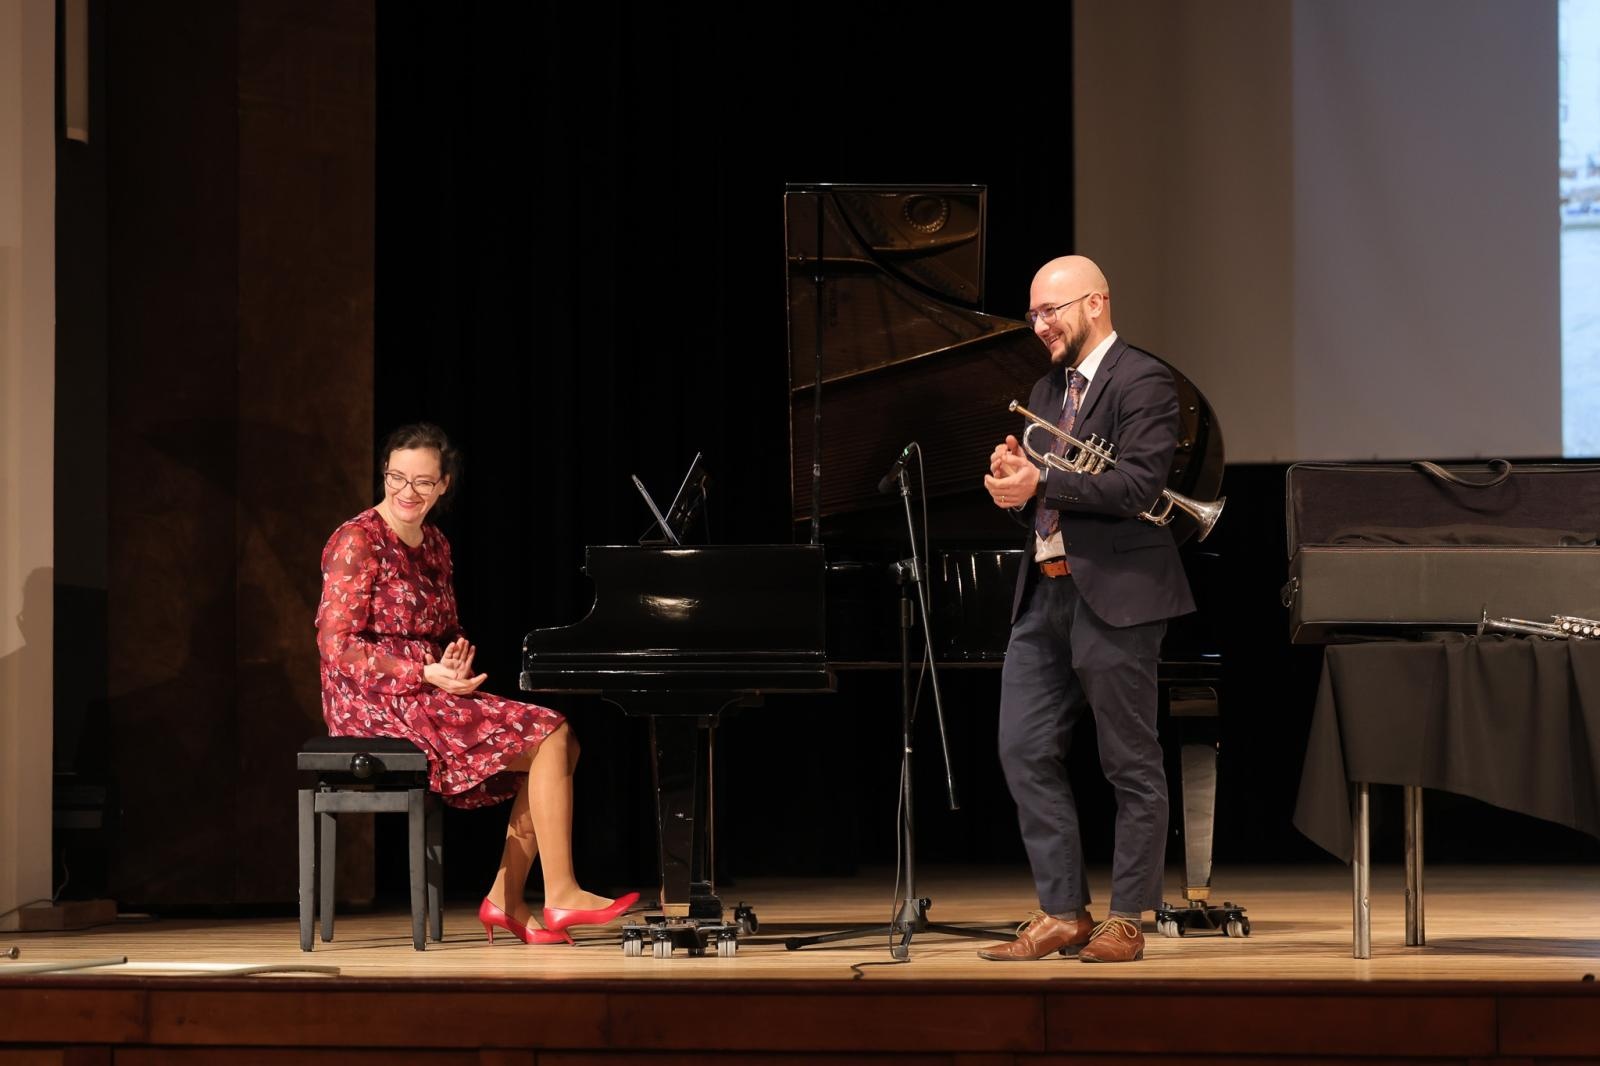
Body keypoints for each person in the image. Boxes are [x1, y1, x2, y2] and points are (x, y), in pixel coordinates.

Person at [315, 423, 636, 945]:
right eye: (397, 478)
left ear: (443, 485)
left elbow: (446, 629)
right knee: (551, 735)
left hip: (427, 691)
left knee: (561, 742)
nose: (407, 492)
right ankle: (557, 893)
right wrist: (421, 672)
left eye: (422, 482)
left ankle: (507, 898)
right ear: (384, 474)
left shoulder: (436, 544)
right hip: (370, 703)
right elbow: (337, 647)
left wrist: (453, 660)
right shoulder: (358, 540)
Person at [978, 256, 1195, 963]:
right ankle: (1062, 911)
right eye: (1034, 314)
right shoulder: (1046, 389)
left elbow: (1138, 486)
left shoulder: (1144, 379)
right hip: (1045, 591)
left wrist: (1043, 480)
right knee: (1022, 748)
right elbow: (1047, 497)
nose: (1040, 324)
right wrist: (1015, 486)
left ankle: (1127, 916)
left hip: (1118, 594)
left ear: (1096, 303)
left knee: (1129, 760)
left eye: (1052, 310)